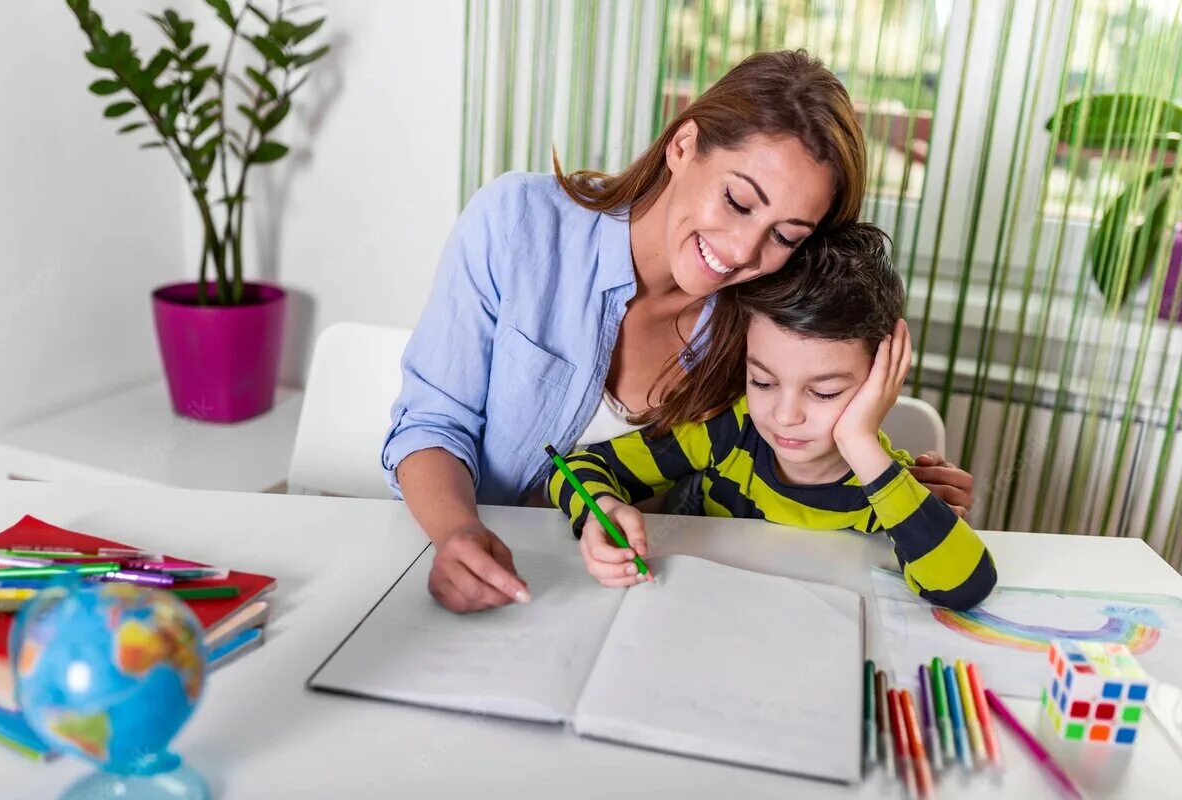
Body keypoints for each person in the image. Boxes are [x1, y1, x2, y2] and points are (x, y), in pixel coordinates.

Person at [384, 50, 976, 613]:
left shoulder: (764, 314)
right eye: (738, 201)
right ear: (683, 145)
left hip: (649, 595)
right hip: (482, 563)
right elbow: (433, 423)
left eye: (787, 235)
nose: (744, 250)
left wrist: (887, 481)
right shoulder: (518, 224)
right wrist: (457, 533)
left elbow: (788, 452)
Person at [549, 224, 996, 610]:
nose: (784, 415)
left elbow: (965, 587)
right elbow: (574, 467)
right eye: (762, 381)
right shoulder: (727, 431)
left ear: (884, 377)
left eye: (824, 392)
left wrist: (862, 444)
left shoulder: (882, 488)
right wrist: (600, 510)